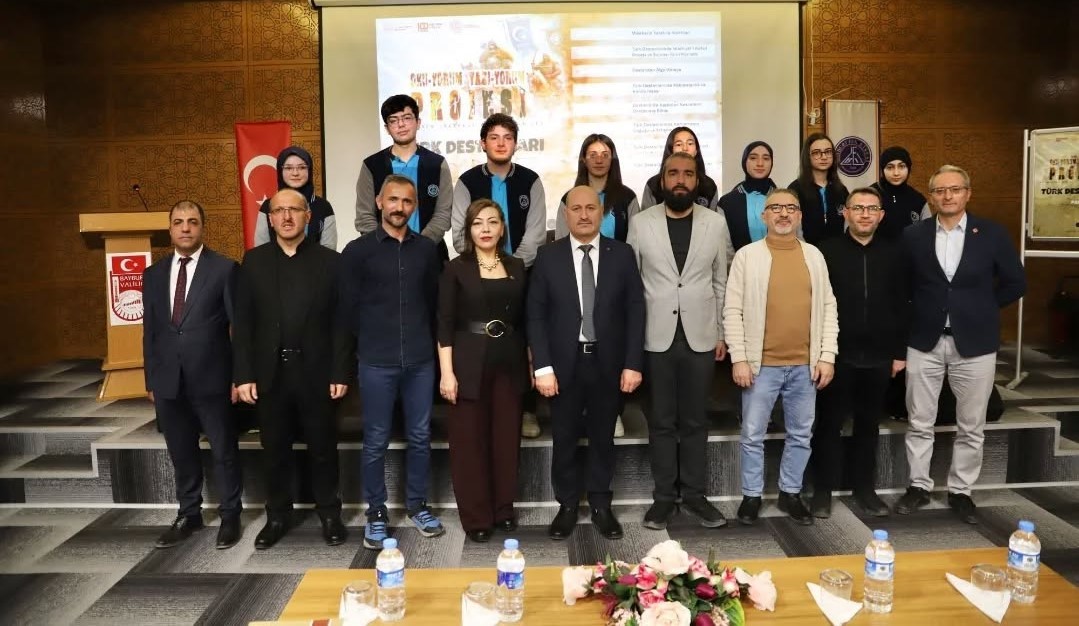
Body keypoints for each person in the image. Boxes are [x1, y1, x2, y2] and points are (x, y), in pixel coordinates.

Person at [894, 165, 1026, 524]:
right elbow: (902, 287)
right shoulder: (913, 235)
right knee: (920, 419)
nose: (947, 196)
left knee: (972, 424)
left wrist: (981, 308)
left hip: (976, 343)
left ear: (968, 193)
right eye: (939, 191)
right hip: (924, 340)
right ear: (932, 196)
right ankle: (918, 486)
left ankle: (961, 491)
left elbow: (1016, 282)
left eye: (955, 189)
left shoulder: (993, 234)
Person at [233, 188, 353, 550]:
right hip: (270, 374)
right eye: (278, 210)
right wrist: (243, 375)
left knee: (322, 447)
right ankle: (277, 516)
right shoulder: (252, 262)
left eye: (294, 210)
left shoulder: (331, 262)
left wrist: (340, 372)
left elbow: (342, 324)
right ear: (269, 219)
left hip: (316, 372)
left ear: (307, 216)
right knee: (274, 450)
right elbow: (243, 325)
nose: (286, 217)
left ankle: (330, 514)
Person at [528, 185, 645, 541]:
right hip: (564, 365)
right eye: (575, 208)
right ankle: (566, 505)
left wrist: (633, 363)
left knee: (602, 438)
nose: (583, 214)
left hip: (608, 363)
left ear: (602, 212)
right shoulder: (547, 256)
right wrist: (542, 366)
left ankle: (600, 504)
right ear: (565, 214)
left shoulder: (622, 254)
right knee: (563, 437)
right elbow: (536, 315)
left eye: (590, 208)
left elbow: (635, 312)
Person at [627, 153, 732, 530]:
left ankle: (695, 496)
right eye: (673, 174)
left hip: (701, 336)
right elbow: (632, 287)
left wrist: (722, 332)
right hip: (655, 337)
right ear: (662, 180)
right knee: (661, 421)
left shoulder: (715, 224)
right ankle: (663, 500)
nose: (681, 180)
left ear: (698, 181)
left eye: (688, 174)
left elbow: (721, 281)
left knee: (694, 420)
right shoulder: (640, 224)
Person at [340, 175, 445, 549]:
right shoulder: (357, 251)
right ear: (380, 202)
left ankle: (417, 506)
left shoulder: (427, 250)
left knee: (419, 437)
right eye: (393, 200)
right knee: (375, 441)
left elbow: (436, 307)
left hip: (420, 360)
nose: (400, 207)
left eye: (407, 201)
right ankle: (376, 512)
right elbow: (346, 311)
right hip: (376, 361)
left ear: (415, 206)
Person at [724, 188, 838, 526]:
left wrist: (827, 355)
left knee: (801, 434)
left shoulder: (814, 255)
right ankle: (752, 496)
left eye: (791, 207)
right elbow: (732, 310)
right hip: (761, 367)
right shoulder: (747, 256)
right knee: (752, 435)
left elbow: (829, 307)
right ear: (764, 216)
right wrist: (739, 358)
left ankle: (791, 493)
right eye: (776, 208)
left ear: (800, 215)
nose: (784, 213)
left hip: (806, 364)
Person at [142, 200, 243, 550]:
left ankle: (231, 515)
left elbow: (239, 328)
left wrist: (239, 376)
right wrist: (151, 378)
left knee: (223, 450)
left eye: (192, 222)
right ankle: (189, 513)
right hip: (169, 379)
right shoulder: (153, 274)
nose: (185, 228)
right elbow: (151, 331)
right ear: (170, 229)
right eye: (178, 222)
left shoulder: (225, 269)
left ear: (203, 227)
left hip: (213, 377)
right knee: (181, 451)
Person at [810, 187, 908, 519]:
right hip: (837, 355)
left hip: (880, 355)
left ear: (881, 215)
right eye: (858, 208)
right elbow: (817, 307)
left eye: (871, 209)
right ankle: (822, 490)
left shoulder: (896, 253)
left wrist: (899, 352)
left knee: (868, 426)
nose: (865, 214)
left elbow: (902, 304)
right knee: (828, 425)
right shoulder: (826, 252)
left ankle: (864, 489)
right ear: (846, 213)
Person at [437, 199, 530, 543]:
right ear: (469, 230)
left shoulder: (518, 266)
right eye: (478, 223)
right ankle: (477, 516)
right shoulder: (455, 268)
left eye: (492, 222)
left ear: (503, 227)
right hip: (467, 361)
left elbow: (525, 320)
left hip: (509, 358)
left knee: (506, 438)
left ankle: (503, 509)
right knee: (469, 442)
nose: (486, 229)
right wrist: (447, 373)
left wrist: (532, 362)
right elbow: (444, 324)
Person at [452, 113, 546, 438]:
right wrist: (485, 267)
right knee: (481, 340)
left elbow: (535, 234)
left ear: (516, 144)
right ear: (483, 143)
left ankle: (527, 410)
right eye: (494, 137)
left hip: (522, 276)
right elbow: (459, 232)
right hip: (476, 278)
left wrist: (510, 270)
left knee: (521, 338)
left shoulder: (531, 181)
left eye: (508, 137)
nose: (501, 142)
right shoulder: (466, 181)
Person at [555, 133, 641, 438]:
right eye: (592, 152)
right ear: (583, 158)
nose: (599, 157)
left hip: (614, 277)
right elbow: (561, 239)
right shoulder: (569, 196)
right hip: (578, 273)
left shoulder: (627, 196)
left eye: (605, 152)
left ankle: (610, 413)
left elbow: (635, 239)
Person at [355, 94, 453, 259]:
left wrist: (420, 245)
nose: (401, 125)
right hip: (382, 256)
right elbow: (365, 216)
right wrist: (385, 245)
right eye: (393, 120)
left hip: (430, 254)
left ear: (418, 122)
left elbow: (443, 214)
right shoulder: (371, 166)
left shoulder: (437, 164)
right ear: (387, 128)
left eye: (407, 118)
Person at [254, 146, 336, 249]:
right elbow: (261, 250)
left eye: (302, 167)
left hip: (317, 264)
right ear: (280, 171)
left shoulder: (323, 207)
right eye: (288, 168)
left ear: (309, 170)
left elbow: (329, 251)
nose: (295, 173)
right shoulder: (268, 206)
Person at [788, 133, 848, 245]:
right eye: (816, 153)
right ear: (807, 156)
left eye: (828, 152)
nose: (824, 157)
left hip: (837, 253)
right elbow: (791, 227)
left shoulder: (841, 190)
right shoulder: (795, 189)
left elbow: (847, 226)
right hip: (805, 252)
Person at [640, 127, 720, 210]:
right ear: (671, 150)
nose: (685, 148)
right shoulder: (653, 185)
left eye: (690, 143)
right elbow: (645, 219)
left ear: (696, 150)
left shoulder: (709, 186)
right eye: (678, 144)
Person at [719, 141, 777, 251]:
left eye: (766, 158)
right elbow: (726, 248)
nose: (760, 163)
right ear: (744, 161)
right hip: (740, 266)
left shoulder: (783, 199)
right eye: (753, 158)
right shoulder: (727, 203)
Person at [870, 146, 928, 241]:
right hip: (874, 254)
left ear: (908, 168)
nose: (896, 173)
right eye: (890, 167)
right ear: (882, 169)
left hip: (909, 254)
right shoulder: (869, 195)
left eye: (901, 166)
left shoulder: (918, 199)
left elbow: (927, 233)